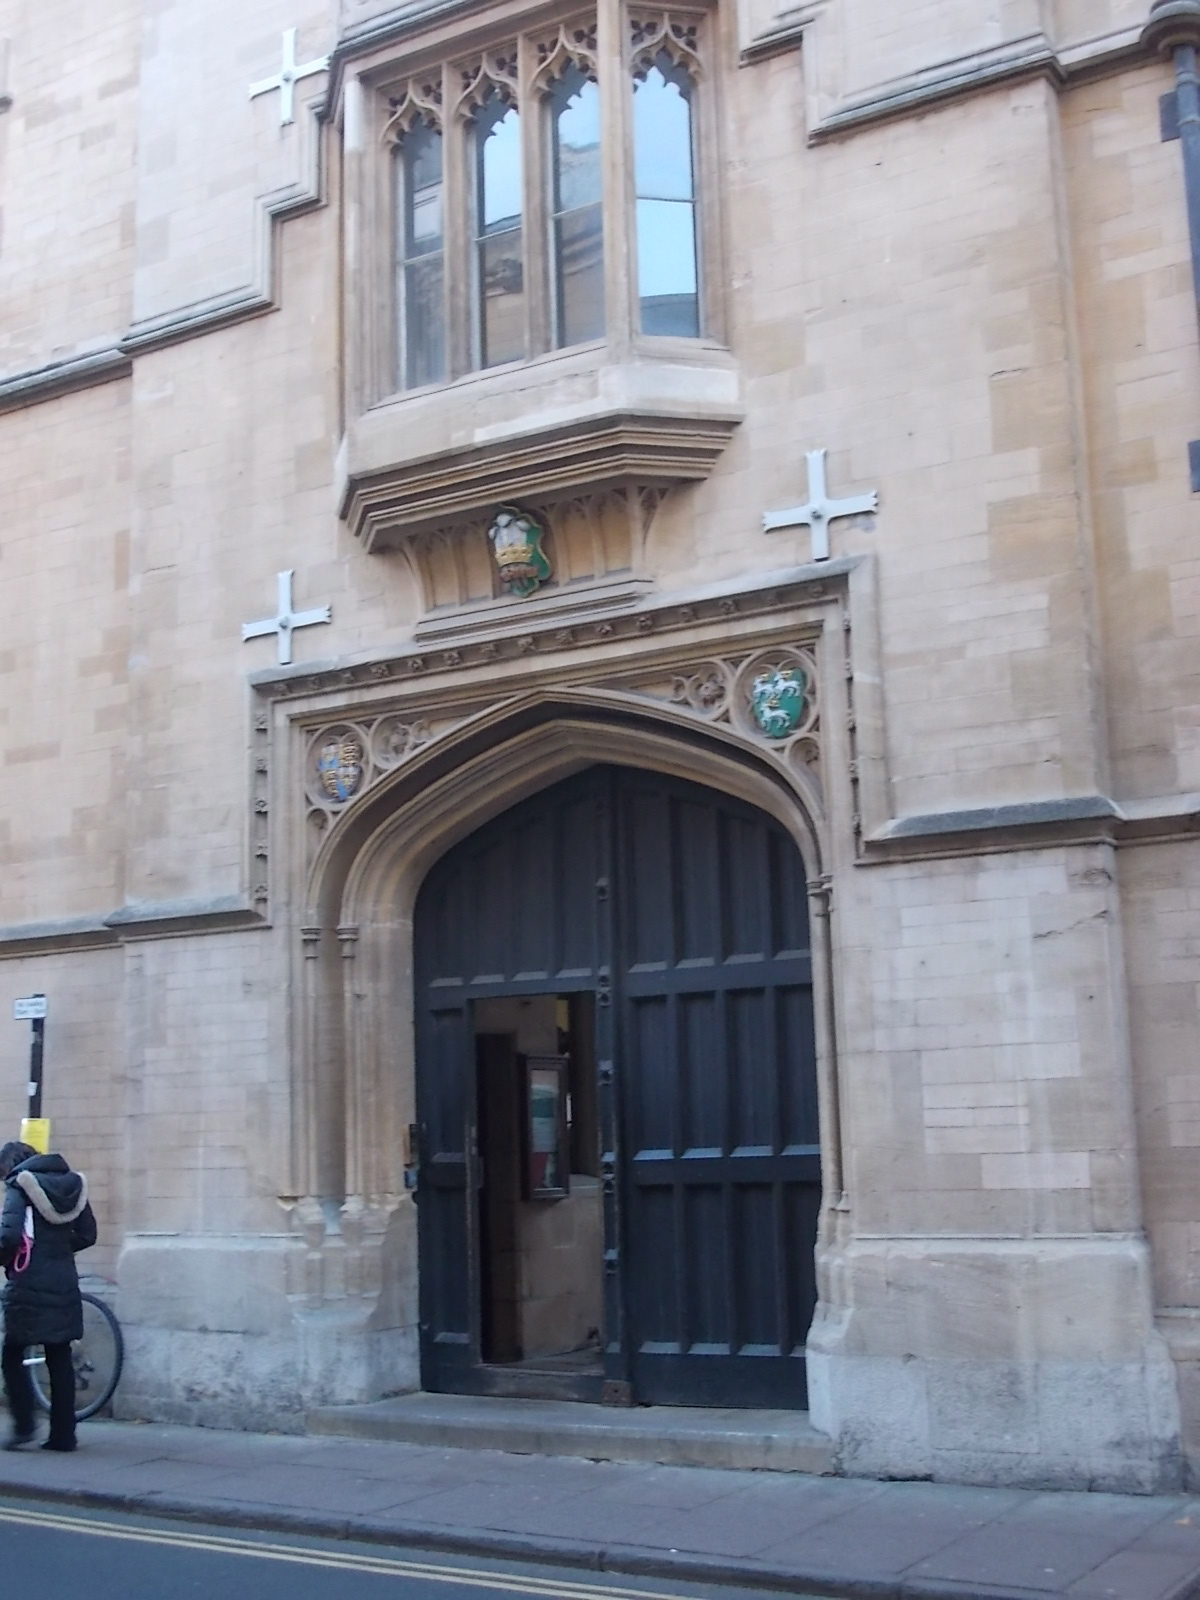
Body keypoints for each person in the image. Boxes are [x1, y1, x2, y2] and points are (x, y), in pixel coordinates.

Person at [0, 1140, 97, 1451]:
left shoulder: (19, 1186)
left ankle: (24, 1425)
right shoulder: (74, 1185)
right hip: (64, 1280)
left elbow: (8, 1236)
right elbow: (88, 1234)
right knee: (59, 1356)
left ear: (11, 1165)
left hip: (28, 1282)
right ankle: (63, 1436)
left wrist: (10, 1259)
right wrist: (57, 1252)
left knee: (12, 1354)